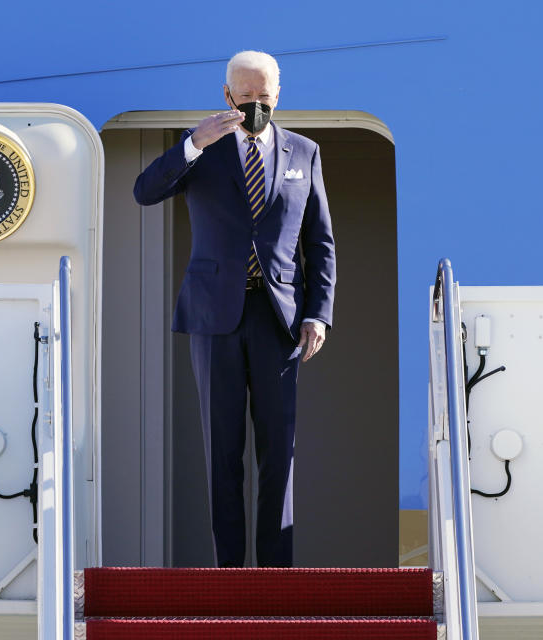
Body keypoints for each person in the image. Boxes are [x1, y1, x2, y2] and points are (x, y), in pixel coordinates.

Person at [134, 50, 336, 568]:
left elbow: (320, 242)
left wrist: (318, 313)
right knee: (223, 453)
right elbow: (144, 191)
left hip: (279, 319)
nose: (255, 106)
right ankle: (230, 573)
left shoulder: (303, 152)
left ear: (278, 94)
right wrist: (195, 143)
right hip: (213, 318)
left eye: (264, 97)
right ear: (228, 97)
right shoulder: (202, 147)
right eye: (246, 98)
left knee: (278, 453)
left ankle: (274, 575)